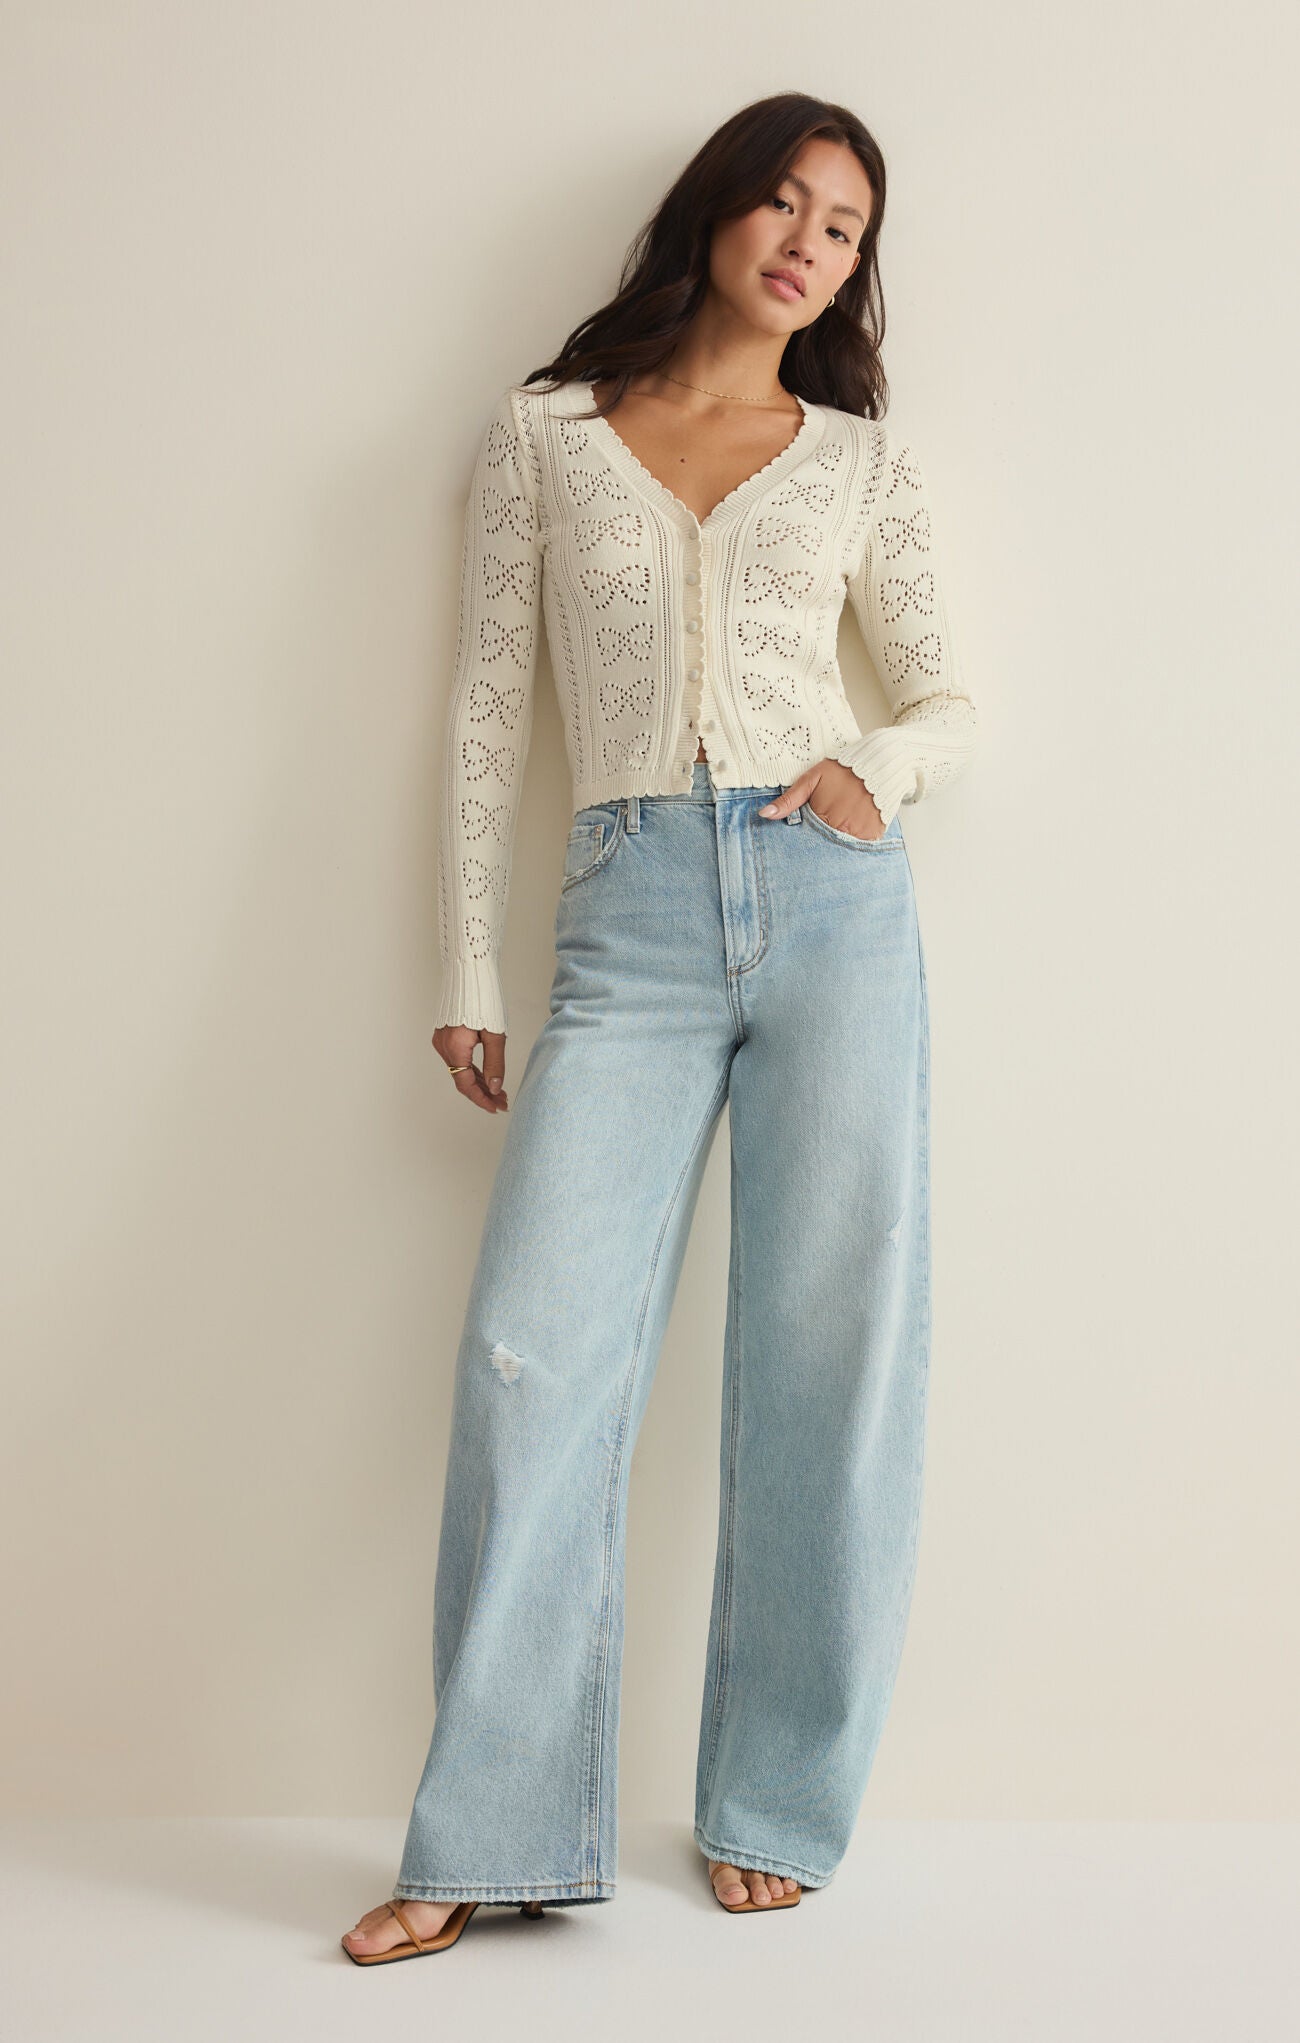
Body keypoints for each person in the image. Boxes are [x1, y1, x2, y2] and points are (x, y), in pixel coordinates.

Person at [342, 88, 977, 1964]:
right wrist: (467, 968)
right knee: (531, 1360)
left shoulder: (860, 462)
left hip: (833, 905)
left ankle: (777, 1797)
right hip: (624, 910)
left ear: (855, 269)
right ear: (714, 212)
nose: (807, 243)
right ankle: (494, 1832)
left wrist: (872, 772)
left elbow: (948, 694)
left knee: (830, 1356)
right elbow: (488, 706)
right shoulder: (545, 434)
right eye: (782, 203)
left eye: (844, 228)